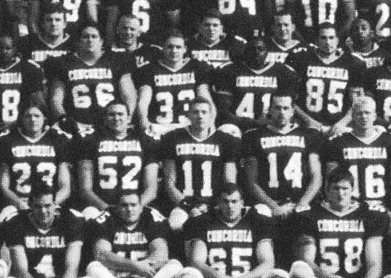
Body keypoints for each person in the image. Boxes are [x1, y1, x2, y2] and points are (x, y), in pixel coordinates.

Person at [288, 168, 391, 278]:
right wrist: (325, 276)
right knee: (298, 269)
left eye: (345, 189)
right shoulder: (311, 214)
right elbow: (307, 259)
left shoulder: (369, 214)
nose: (341, 194)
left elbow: (375, 263)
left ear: (352, 190)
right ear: (327, 190)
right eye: (335, 189)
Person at [176, 186, 290, 278]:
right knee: (185, 277)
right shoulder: (205, 221)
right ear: (218, 204)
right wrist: (218, 277)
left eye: (234, 201)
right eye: (225, 201)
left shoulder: (257, 221)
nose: (230, 206)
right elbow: (196, 261)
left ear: (242, 203)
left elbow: (267, 262)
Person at [0, 188, 98, 278]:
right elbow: (20, 270)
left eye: (47, 206)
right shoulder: (17, 222)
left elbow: (72, 268)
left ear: (56, 205)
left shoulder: (70, 219)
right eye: (38, 206)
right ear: (30, 206)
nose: (43, 211)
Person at [85, 191, 181, 278]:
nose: (129, 209)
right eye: (124, 205)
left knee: (174, 265)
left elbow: (161, 253)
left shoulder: (151, 217)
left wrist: (142, 270)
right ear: (116, 208)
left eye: (134, 205)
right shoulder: (106, 219)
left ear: (141, 207)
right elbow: (102, 255)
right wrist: (135, 266)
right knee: (93, 267)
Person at [238, 94, 324, 219]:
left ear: (293, 111)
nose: (282, 112)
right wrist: (273, 206)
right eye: (277, 108)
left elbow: (316, 176)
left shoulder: (308, 135)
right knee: (260, 214)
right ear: (270, 110)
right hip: (268, 204)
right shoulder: (254, 136)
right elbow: (251, 181)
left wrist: (302, 204)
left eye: (286, 108)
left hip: (299, 201)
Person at [159, 98, 240, 231]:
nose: (200, 116)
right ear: (188, 115)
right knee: (175, 224)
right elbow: (169, 183)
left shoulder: (226, 140)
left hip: (216, 203)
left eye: (204, 112)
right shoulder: (173, 138)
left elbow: (229, 182)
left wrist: (215, 204)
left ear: (211, 115)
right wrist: (189, 206)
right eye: (195, 112)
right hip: (183, 203)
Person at [322, 97, 391, 220]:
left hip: (380, 206)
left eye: (367, 113)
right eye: (359, 113)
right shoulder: (339, 142)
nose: (364, 117)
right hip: (351, 207)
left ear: (374, 116)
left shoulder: (390, 141)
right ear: (353, 116)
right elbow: (330, 182)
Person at [49, 26, 136, 137]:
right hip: (77, 125)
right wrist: (64, 118)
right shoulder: (65, 63)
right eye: (85, 37)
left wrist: (126, 118)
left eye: (94, 36)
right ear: (78, 42)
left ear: (101, 41)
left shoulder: (115, 60)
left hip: (110, 124)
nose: (90, 40)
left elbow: (128, 95)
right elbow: (56, 98)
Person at [74, 102, 160, 214]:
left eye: (120, 114)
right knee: (89, 215)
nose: (116, 118)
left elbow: (151, 189)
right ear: (104, 119)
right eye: (111, 114)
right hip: (100, 207)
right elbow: (85, 189)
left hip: (135, 207)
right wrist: (106, 208)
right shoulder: (91, 140)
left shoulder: (144, 140)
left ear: (129, 118)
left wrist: (134, 208)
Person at [285, 23, 366, 135]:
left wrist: (342, 123)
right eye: (323, 38)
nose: (328, 42)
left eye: (331, 38)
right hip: (308, 126)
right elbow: (290, 99)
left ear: (338, 40)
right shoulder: (303, 59)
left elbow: (357, 102)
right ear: (317, 41)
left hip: (339, 127)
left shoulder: (352, 62)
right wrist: (309, 121)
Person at [213, 35, 300, 134]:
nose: (256, 53)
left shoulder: (283, 71)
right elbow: (223, 110)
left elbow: (290, 107)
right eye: (252, 49)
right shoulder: (230, 70)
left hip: (272, 125)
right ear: (245, 50)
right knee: (227, 129)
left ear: (267, 52)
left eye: (260, 49)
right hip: (238, 126)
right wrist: (251, 123)